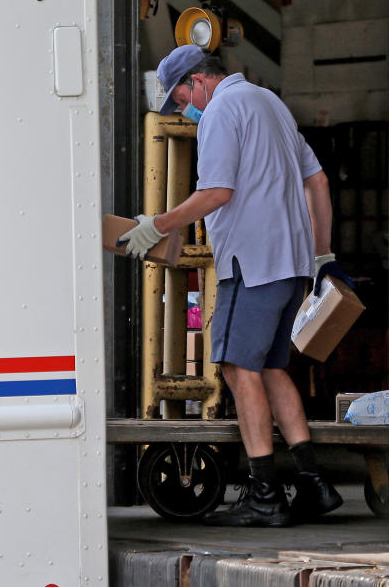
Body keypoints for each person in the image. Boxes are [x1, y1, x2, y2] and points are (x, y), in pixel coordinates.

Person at [119, 44, 353, 527]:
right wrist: (323, 254)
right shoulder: (271, 102)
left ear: (198, 82)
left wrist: (158, 225)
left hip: (251, 262)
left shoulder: (222, 109)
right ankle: (312, 484)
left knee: (233, 366)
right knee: (269, 367)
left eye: (181, 100)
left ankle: (264, 496)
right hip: (291, 265)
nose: (183, 111)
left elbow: (216, 193)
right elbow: (319, 183)